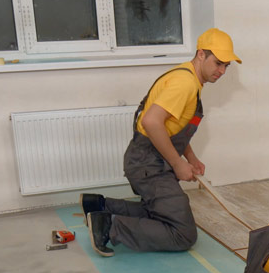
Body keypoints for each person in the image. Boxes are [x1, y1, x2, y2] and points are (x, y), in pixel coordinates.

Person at [80, 28, 241, 257]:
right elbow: (152, 122)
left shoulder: (188, 78)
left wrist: (191, 158)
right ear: (201, 55)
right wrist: (177, 164)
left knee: (164, 211)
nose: (222, 71)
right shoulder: (184, 83)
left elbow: (171, 129)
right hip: (149, 165)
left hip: (148, 160)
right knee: (183, 233)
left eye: (227, 66)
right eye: (218, 63)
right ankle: (110, 225)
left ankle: (100, 206)